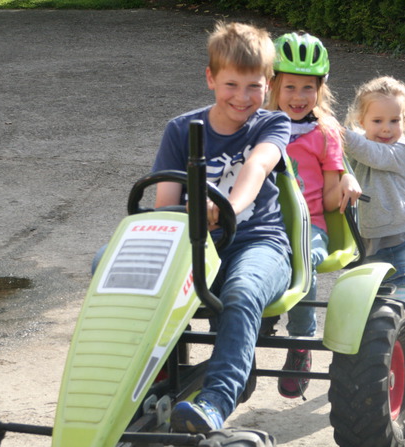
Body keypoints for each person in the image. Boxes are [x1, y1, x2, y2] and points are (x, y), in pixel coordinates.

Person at [153, 21, 293, 433]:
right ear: (211, 78)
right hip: (196, 245)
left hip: (259, 243)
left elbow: (256, 166)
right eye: (232, 84)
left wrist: (226, 206)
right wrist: (189, 210)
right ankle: (134, 383)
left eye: (254, 86)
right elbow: (164, 204)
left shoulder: (271, 125)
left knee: (242, 290)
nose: (243, 97)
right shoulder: (181, 130)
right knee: (110, 270)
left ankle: (215, 400)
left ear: (268, 84)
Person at [266, 32, 362, 398]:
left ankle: (302, 340)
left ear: (320, 90)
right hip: (264, 223)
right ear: (273, 85)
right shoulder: (257, 125)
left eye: (308, 88)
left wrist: (346, 178)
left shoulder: (325, 134)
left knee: (300, 253)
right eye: (290, 87)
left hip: (311, 227)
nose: (299, 97)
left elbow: (329, 192)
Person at [344, 75, 405, 378]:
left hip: (399, 237)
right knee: (369, 302)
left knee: (400, 295)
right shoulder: (357, 146)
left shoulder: (401, 151)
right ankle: (377, 351)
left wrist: (335, 132)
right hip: (364, 239)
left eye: (395, 120)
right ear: (362, 120)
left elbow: (370, 153)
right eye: (378, 120)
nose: (386, 128)